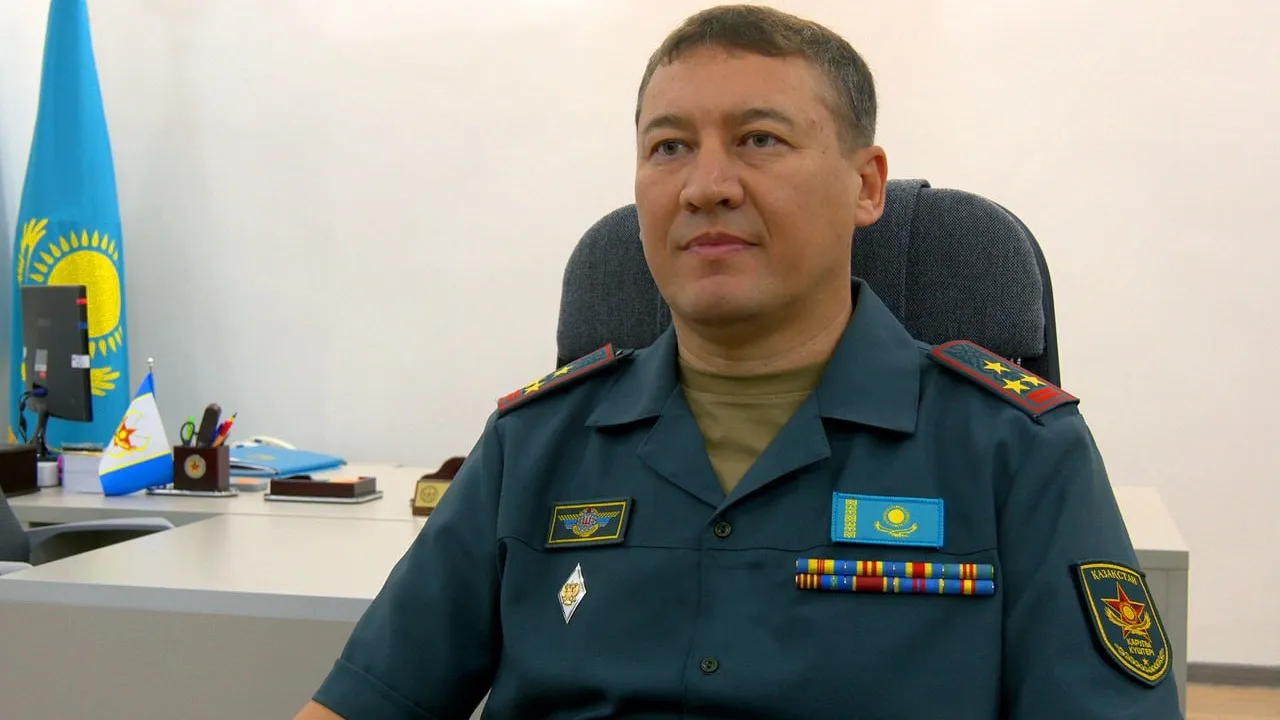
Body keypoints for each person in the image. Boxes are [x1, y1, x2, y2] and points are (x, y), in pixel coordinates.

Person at [296, 4, 1182, 719]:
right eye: (669, 146)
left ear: (866, 184)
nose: (705, 185)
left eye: (759, 139)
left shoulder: (1015, 453)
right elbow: (369, 698)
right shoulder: (534, 445)